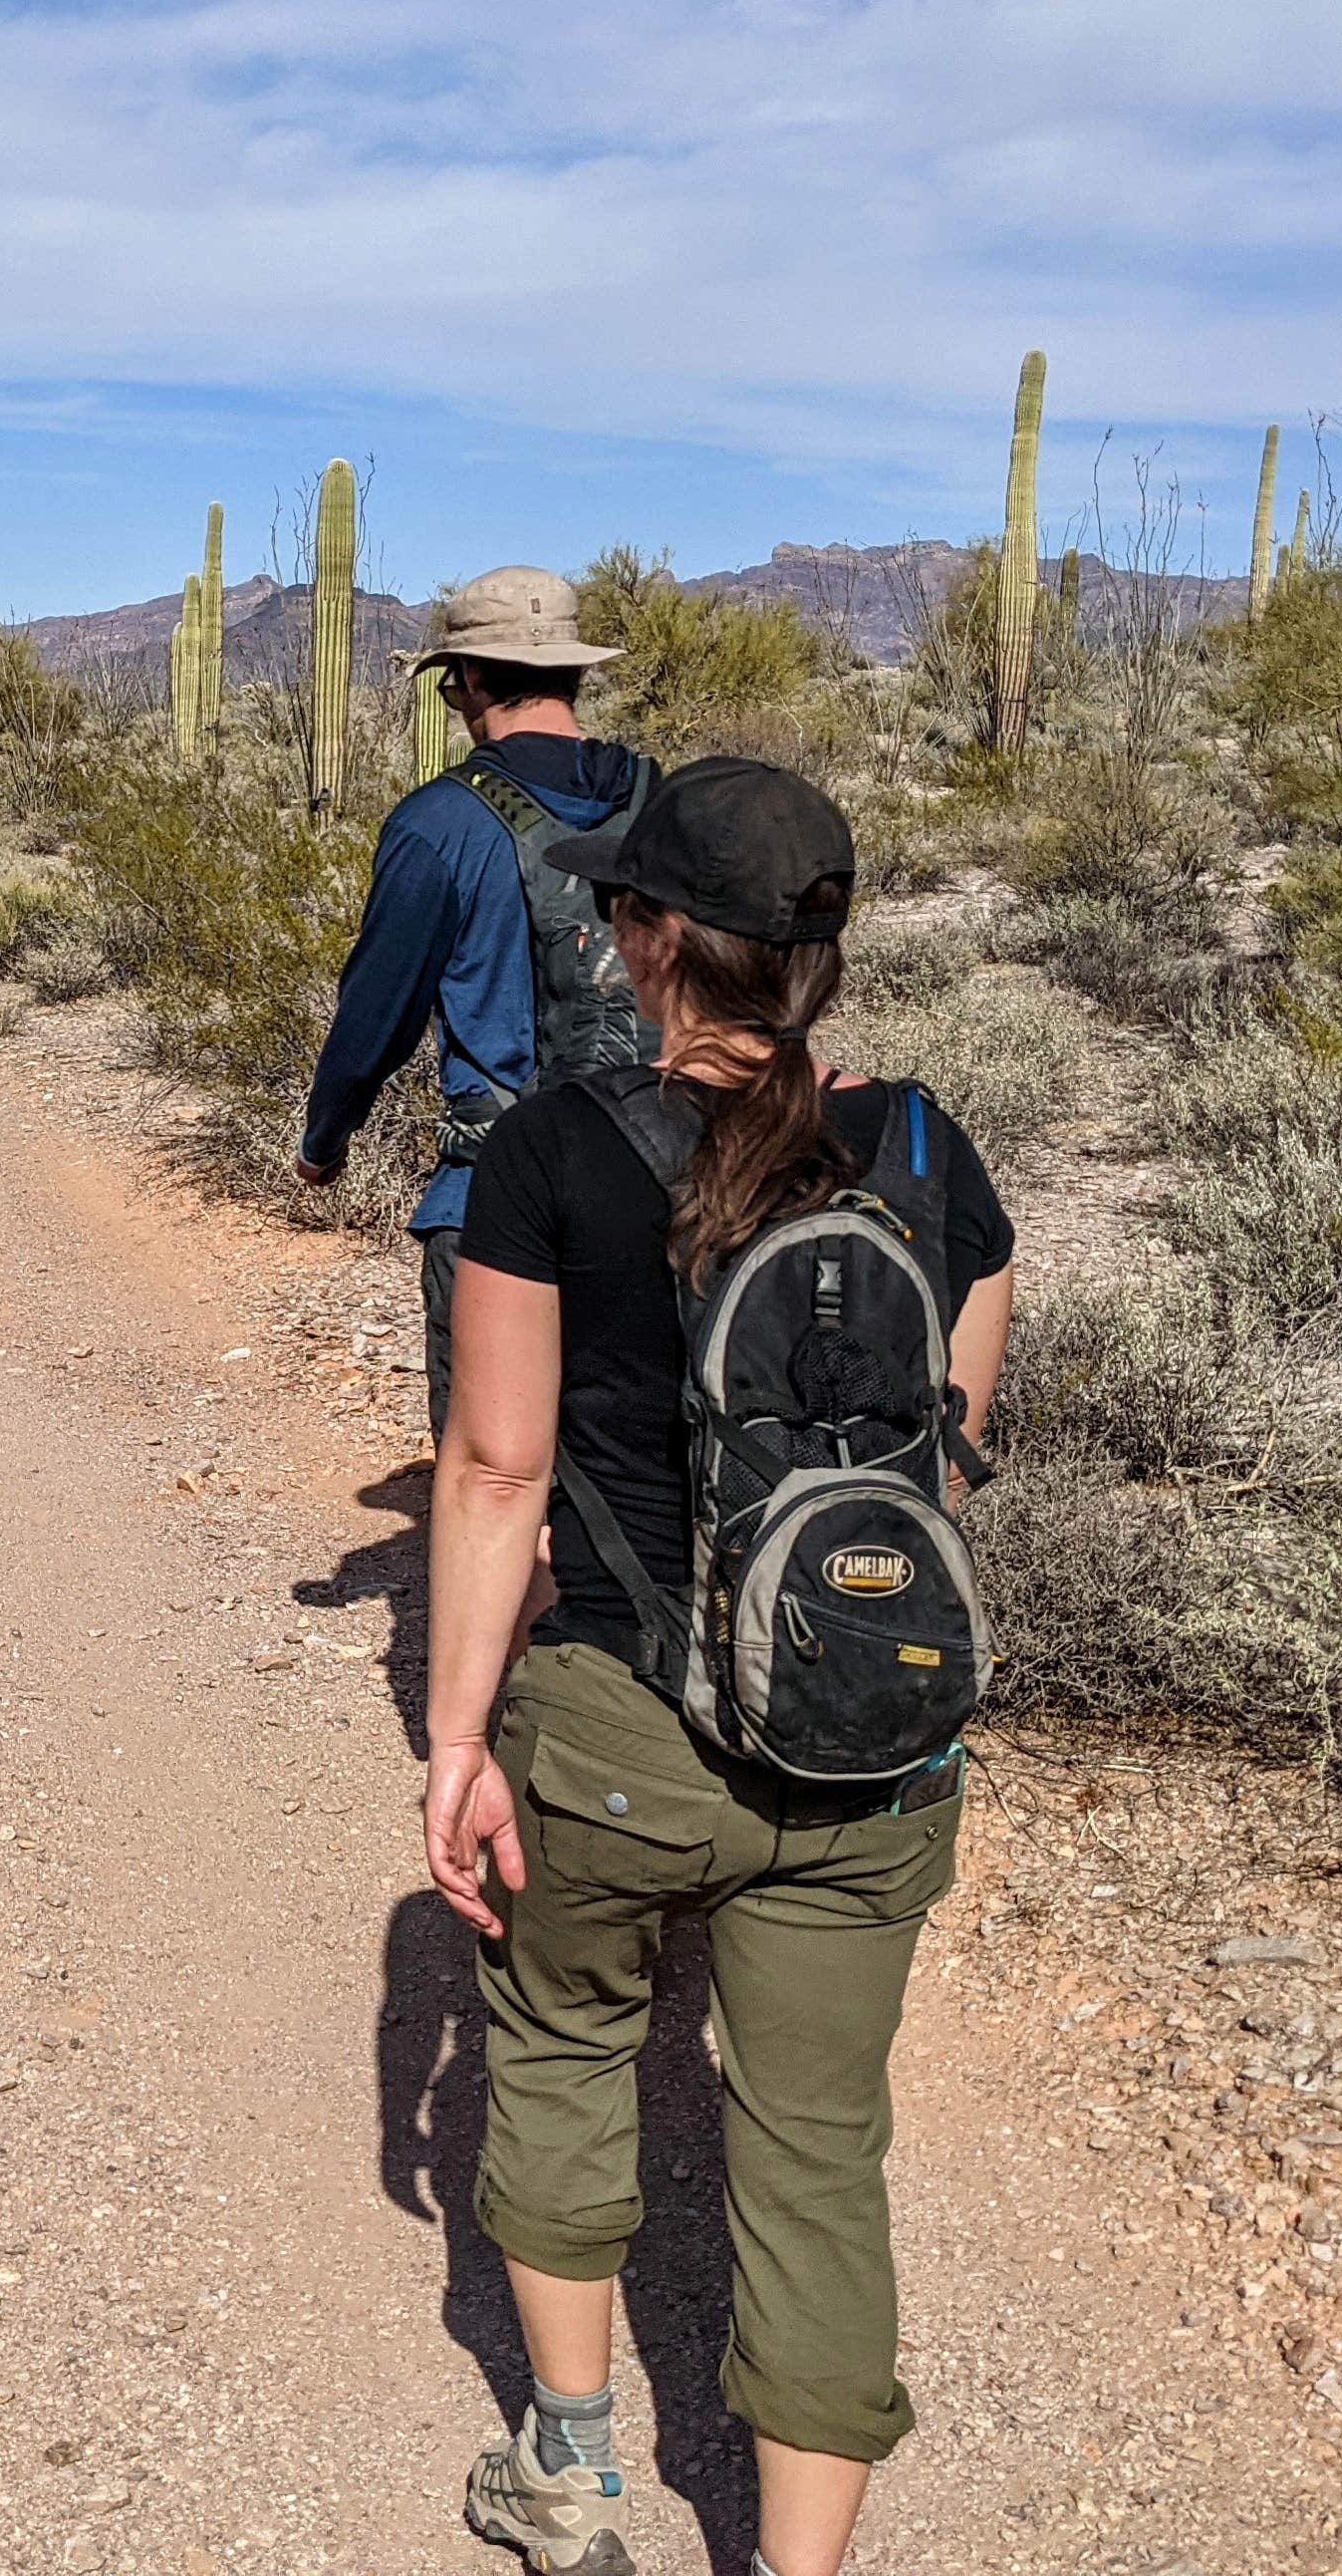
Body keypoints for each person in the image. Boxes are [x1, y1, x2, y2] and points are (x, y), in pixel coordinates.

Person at [419, 758, 1013, 2576]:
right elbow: (953, 1441)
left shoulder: (552, 1150)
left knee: (564, 2040)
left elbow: (496, 1467)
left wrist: (456, 1735)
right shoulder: (921, 1148)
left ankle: (577, 2472)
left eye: (618, 907)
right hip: (865, 1738)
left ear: (651, 941)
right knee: (818, 2146)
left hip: (618, 1723)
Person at [294, 565, 657, 1430]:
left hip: (499, 1196)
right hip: (664, 1178)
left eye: (453, 679)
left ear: (475, 681)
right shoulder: (664, 801)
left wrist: (325, 1139)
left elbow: (379, 1011)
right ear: (573, 674)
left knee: (493, 1471)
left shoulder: (440, 822)